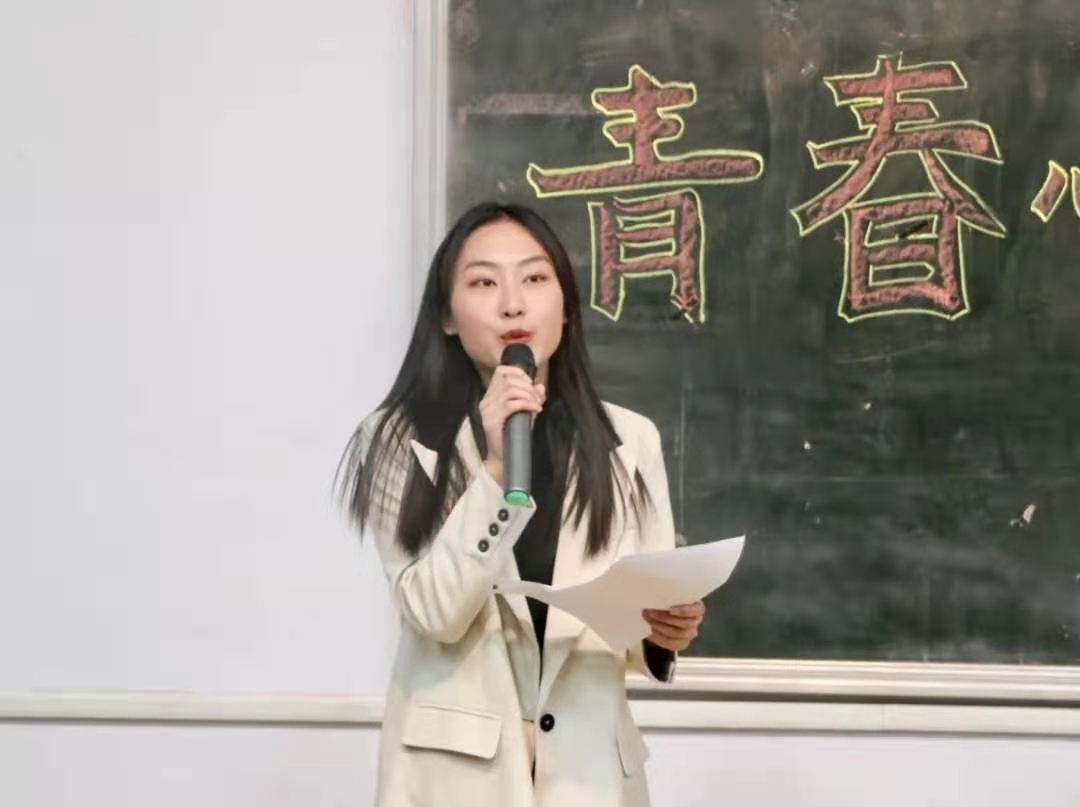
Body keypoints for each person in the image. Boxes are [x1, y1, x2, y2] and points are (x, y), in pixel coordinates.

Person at [338, 201, 705, 807]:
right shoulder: (400, 441)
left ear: (566, 305)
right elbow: (433, 611)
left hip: (591, 779)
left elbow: (640, 622)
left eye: (534, 278)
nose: (513, 304)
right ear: (447, 316)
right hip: (456, 781)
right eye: (484, 283)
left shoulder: (629, 440)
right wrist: (493, 470)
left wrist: (665, 629)